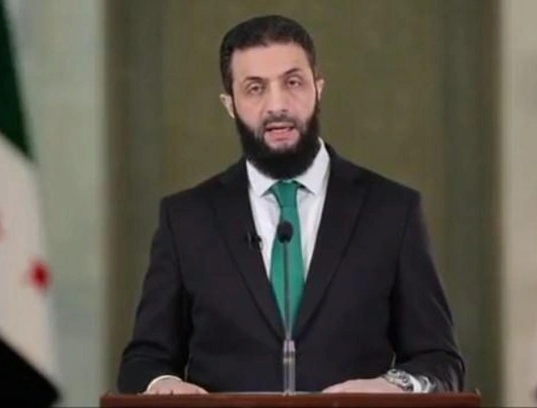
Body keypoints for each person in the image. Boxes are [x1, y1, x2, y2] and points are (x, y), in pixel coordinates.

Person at [116, 14, 465, 395]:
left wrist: (392, 387)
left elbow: (440, 362)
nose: (277, 105)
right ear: (230, 104)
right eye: (255, 89)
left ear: (318, 89)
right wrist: (164, 385)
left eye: (293, 82)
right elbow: (144, 361)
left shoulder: (392, 211)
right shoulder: (186, 219)